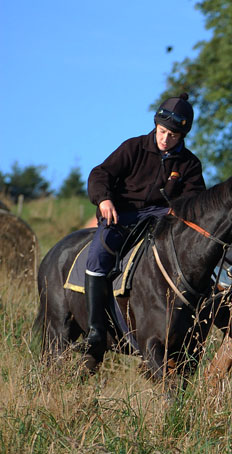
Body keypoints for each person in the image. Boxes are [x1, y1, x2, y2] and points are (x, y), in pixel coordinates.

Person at [83, 93, 206, 367]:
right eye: (162, 132)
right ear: (155, 126)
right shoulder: (133, 147)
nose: (165, 139)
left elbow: (196, 200)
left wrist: (180, 209)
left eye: (173, 135)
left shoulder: (190, 164)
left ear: (183, 135)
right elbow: (100, 174)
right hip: (122, 215)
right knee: (97, 259)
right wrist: (104, 199)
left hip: (162, 222)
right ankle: (95, 333)